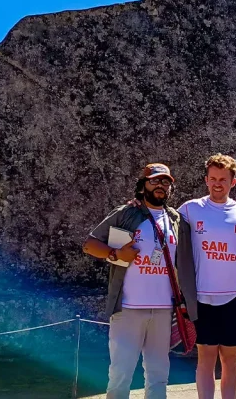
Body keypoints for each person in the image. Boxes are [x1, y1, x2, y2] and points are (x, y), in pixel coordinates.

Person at [82, 163, 196, 399]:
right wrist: (114, 255)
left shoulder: (176, 219)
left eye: (165, 182)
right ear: (143, 185)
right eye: (154, 181)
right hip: (128, 309)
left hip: (164, 309)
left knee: (158, 375)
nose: (160, 186)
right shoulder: (126, 213)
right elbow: (89, 244)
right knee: (120, 374)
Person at [176, 154, 236, 399]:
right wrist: (138, 206)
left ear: (233, 182)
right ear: (206, 180)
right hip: (202, 298)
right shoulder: (189, 209)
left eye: (223, 179)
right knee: (205, 359)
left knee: (231, 360)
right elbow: (163, 224)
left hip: (233, 296)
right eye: (213, 179)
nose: (217, 183)